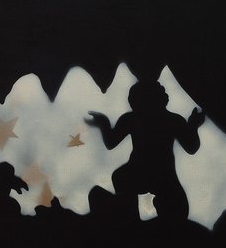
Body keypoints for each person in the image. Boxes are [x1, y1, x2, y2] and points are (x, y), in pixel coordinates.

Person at [86, 81, 205, 222]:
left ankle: (131, 217)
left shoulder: (167, 120)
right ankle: (130, 218)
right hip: (148, 172)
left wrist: (193, 126)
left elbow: (191, 147)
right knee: (121, 177)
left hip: (162, 174)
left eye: (163, 91)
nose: (165, 94)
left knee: (178, 210)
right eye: (160, 92)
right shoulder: (170, 120)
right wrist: (193, 126)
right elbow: (191, 147)